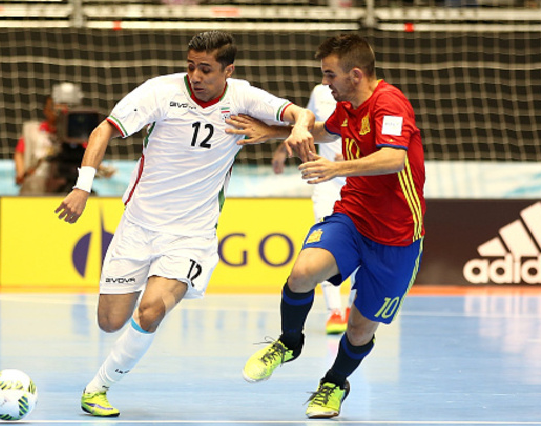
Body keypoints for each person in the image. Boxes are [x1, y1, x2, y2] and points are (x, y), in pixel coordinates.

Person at [53, 31, 315, 418]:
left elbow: (300, 114)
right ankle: (127, 319)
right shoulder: (161, 92)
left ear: (228, 70)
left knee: (152, 310)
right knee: (110, 322)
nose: (195, 75)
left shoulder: (243, 97)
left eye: (205, 69)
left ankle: (98, 388)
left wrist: (295, 128)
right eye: (191, 65)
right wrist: (82, 187)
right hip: (139, 226)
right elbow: (104, 128)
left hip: (192, 235)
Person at [231, 33, 426, 419]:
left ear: (355, 74)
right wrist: (272, 133)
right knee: (302, 273)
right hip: (353, 216)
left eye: (329, 75)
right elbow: (325, 131)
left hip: (398, 237)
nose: (325, 83)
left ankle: (334, 384)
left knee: (358, 330)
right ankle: (289, 342)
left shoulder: (389, 104)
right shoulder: (349, 105)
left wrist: (335, 167)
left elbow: (392, 159)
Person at [271, 84, 350, 335]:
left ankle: (354, 309)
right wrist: (283, 149)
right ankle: (335, 312)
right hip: (325, 183)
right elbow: (306, 128)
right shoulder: (320, 92)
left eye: (331, 72)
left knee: (363, 249)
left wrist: (354, 157)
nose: (328, 79)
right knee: (324, 246)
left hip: (358, 182)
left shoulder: (370, 99)